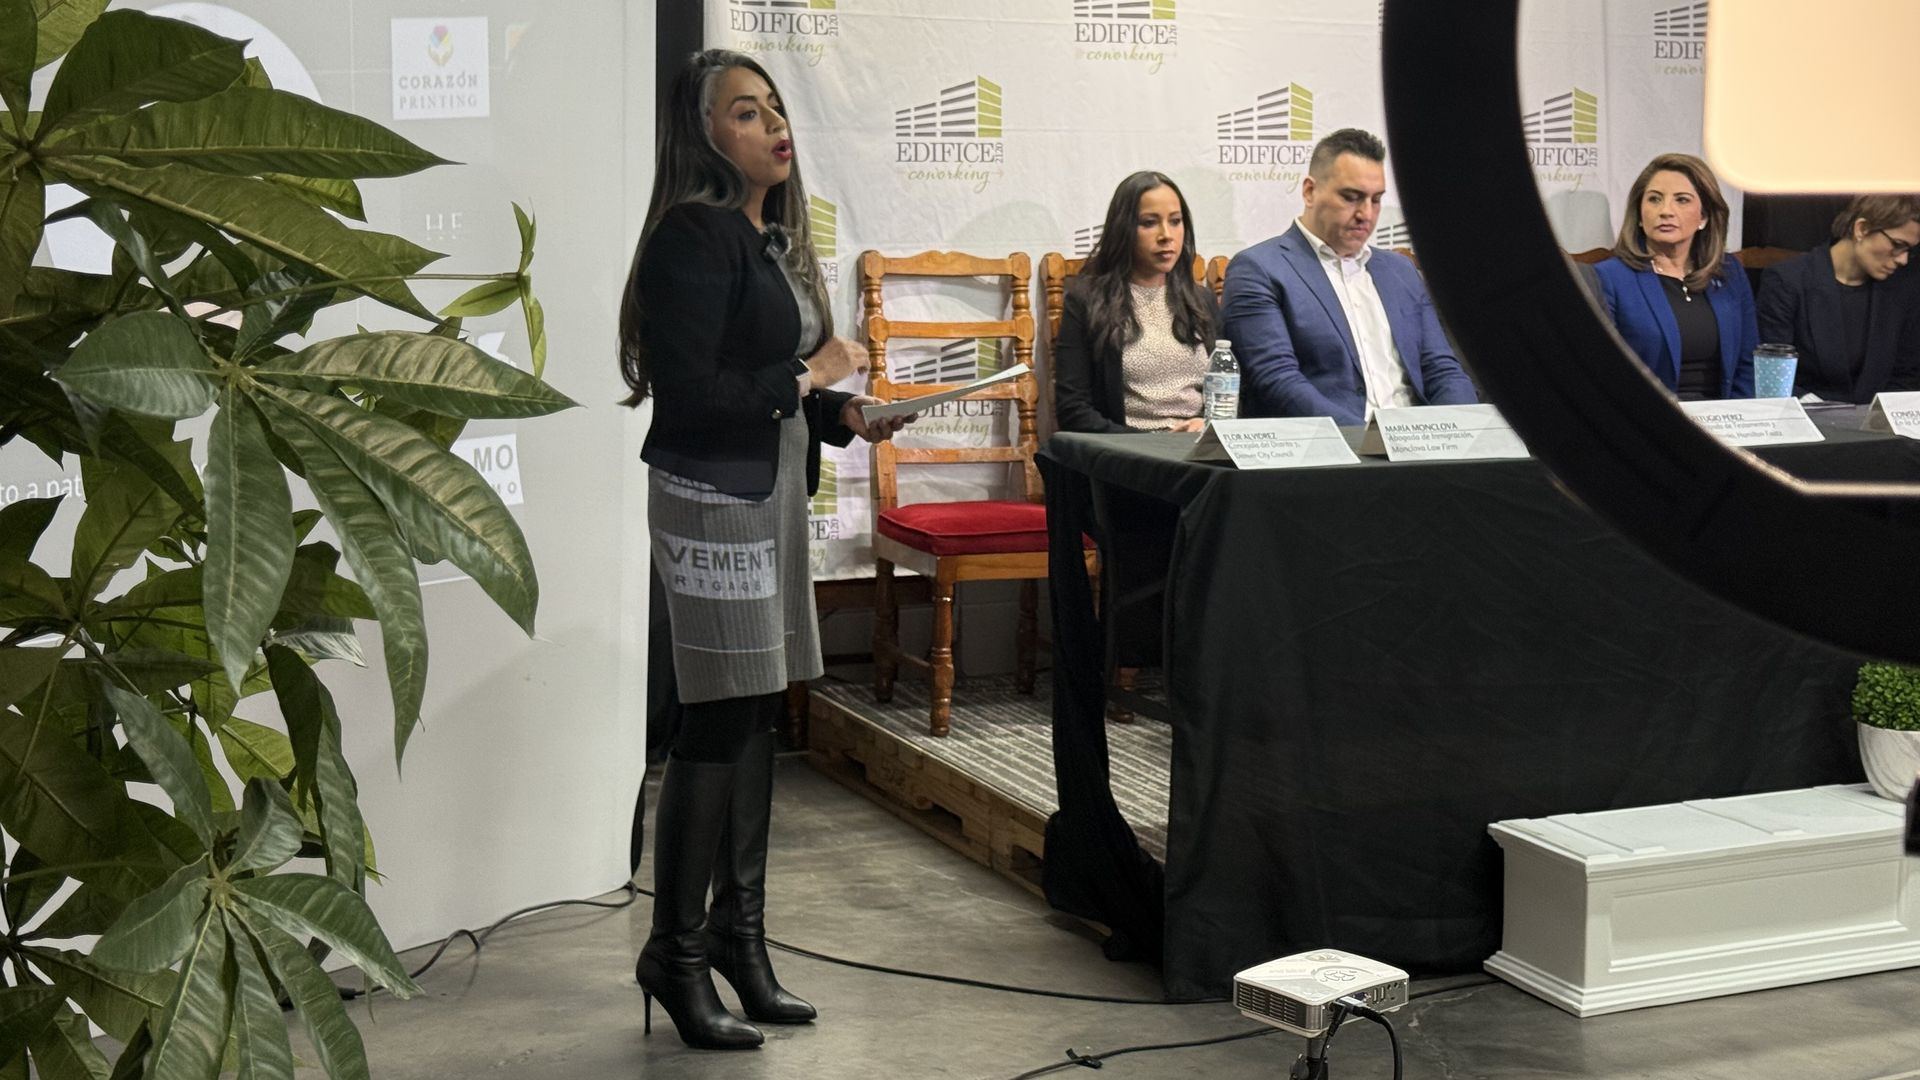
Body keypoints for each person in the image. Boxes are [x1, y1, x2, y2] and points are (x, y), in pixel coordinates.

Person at [617, 49, 910, 1051]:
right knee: (715, 723)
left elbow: (773, 384)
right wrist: (807, 373)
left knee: (753, 722)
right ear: (706, 137)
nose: (773, 124)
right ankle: (677, 954)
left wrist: (844, 415)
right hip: (711, 500)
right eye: (746, 113)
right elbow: (697, 395)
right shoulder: (689, 239)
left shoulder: (766, 239)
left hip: (772, 490)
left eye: (774, 106)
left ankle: (741, 946)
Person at [1220, 128, 1477, 425]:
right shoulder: (1259, 269)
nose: (1366, 214)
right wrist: (1371, 440)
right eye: (1351, 197)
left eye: (1376, 199)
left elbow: (1441, 369)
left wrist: (1456, 430)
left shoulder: (1401, 270)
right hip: (1332, 453)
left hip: (1420, 447)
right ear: (1309, 191)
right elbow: (1277, 381)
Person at [1052, 171, 1217, 433]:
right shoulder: (1087, 301)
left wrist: (1208, 423)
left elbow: (1233, 391)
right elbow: (1074, 411)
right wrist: (1149, 442)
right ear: (1124, 229)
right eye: (1149, 223)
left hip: (1198, 451)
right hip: (1128, 455)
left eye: (1175, 221)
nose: (1166, 235)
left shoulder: (1201, 301)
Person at [1593, 153, 1757, 400]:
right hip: (1650, 420)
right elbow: (1606, 374)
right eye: (1654, 199)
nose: (1665, 211)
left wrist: (1739, 420)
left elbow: (1748, 362)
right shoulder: (1610, 278)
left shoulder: (1729, 272)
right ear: (1639, 215)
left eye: (1682, 200)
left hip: (1725, 421)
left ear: (1704, 217)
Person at [1756, 194, 1920, 403]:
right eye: (1897, 245)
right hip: (1803, 420)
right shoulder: (1787, 281)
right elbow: (1773, 374)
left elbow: (1906, 375)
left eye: (1908, 250)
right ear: (1862, 229)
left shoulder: (1902, 290)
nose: (1903, 259)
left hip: (1877, 427)